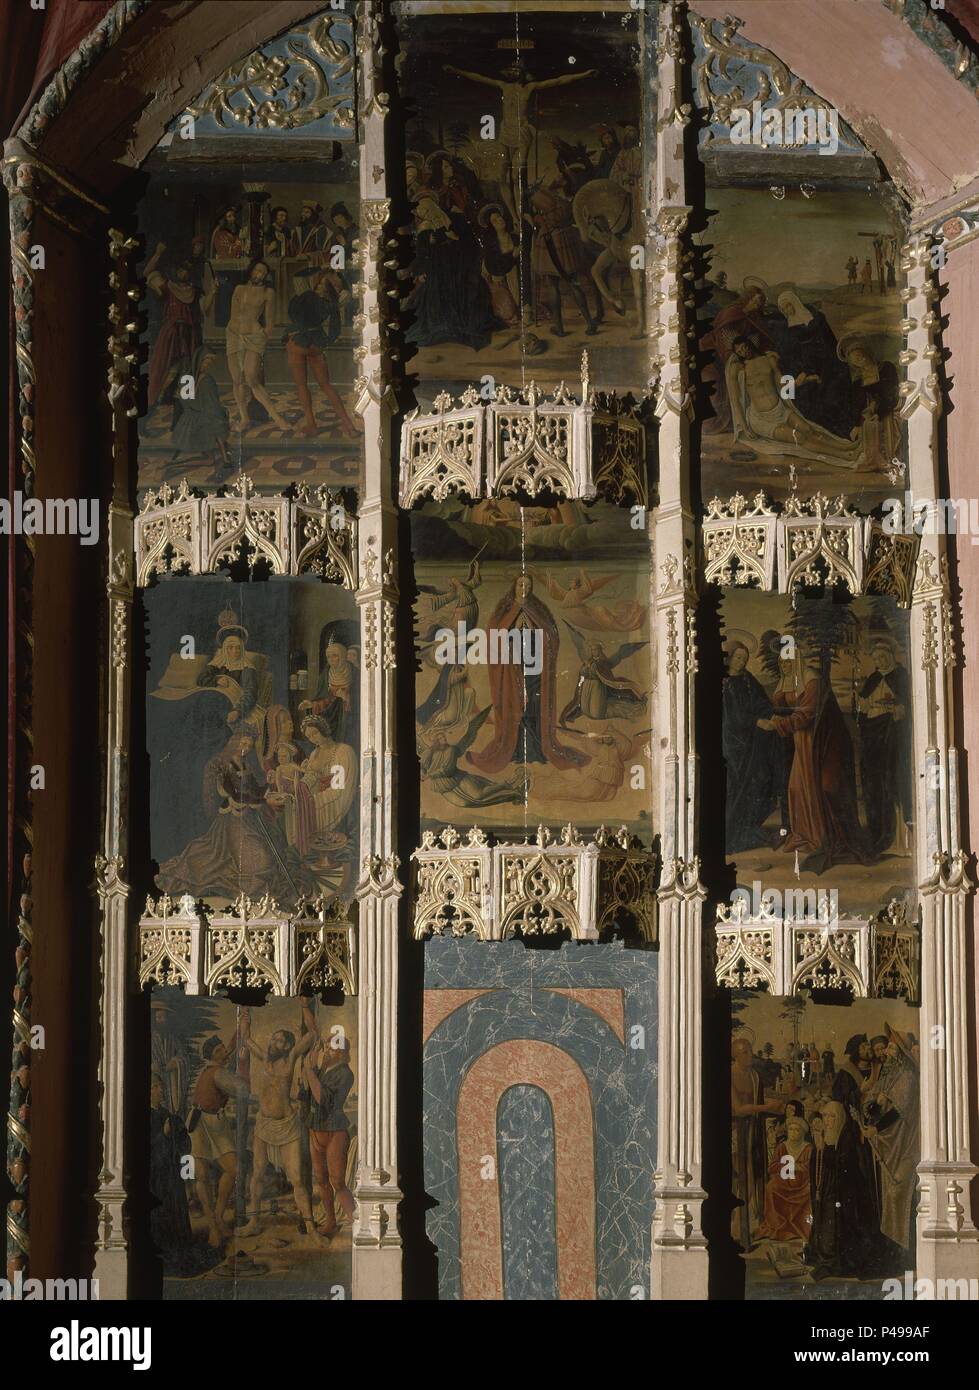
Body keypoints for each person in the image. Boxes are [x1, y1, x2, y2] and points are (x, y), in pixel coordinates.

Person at [761, 646, 869, 874]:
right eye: (782, 663)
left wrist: (776, 724)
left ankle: (818, 836)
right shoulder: (791, 679)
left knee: (813, 787)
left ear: (797, 660)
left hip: (819, 741)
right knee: (797, 788)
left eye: (788, 662)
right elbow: (782, 704)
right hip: (801, 741)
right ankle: (804, 834)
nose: (785, 666)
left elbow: (806, 714)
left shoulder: (812, 681)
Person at [444, 59, 598, 219]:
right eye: (512, 69)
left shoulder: (529, 88)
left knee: (516, 176)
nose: (514, 72)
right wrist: (456, 70)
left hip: (522, 133)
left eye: (517, 70)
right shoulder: (504, 86)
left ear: (523, 73)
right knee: (501, 177)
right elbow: (479, 77)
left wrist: (585, 74)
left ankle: (520, 213)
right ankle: (514, 215)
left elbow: (557, 81)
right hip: (506, 132)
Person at [467, 574, 589, 774]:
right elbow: (494, 635)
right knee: (514, 705)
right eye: (521, 584)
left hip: (535, 665)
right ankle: (514, 751)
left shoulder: (538, 608)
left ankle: (535, 751)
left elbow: (551, 634)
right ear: (514, 586)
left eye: (528, 585)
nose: (524, 587)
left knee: (533, 704)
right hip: (511, 666)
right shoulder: (504, 609)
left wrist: (532, 632)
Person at [238, 1010, 322, 1243]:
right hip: (264, 1124)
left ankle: (311, 1230)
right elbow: (245, 1040)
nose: (274, 1043)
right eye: (273, 1039)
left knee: (296, 1179)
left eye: (279, 1041)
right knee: (256, 1174)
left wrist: (305, 1009)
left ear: (287, 1046)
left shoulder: (291, 1058)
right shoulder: (265, 1058)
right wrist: (245, 1019)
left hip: (287, 1126)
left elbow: (313, 1036)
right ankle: (253, 1222)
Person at [726, 336, 864, 467]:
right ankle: (845, 456)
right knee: (799, 437)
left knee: (808, 430)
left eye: (744, 347)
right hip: (761, 419)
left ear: (749, 344)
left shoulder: (768, 359)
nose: (744, 352)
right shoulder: (738, 368)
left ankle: (846, 447)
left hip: (780, 410)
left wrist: (805, 380)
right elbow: (734, 399)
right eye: (739, 351)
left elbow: (783, 386)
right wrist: (744, 426)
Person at [186, 1032, 250, 1247]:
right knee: (202, 1175)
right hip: (199, 1123)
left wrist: (241, 1029)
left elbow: (229, 1048)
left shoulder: (216, 1064)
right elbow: (241, 1088)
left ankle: (219, 1216)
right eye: (219, 1051)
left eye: (223, 1049)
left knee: (233, 1169)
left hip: (216, 1122)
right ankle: (214, 1226)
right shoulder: (217, 1072)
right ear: (212, 1057)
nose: (224, 1052)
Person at [284, 267, 361, 438]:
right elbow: (334, 331)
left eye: (322, 284)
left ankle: (312, 425)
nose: (319, 286)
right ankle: (349, 426)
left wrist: (320, 268)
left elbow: (298, 275)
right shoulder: (331, 305)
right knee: (326, 385)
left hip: (297, 341)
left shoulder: (306, 295)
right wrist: (325, 341)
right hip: (315, 344)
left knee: (302, 385)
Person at [299, 1003, 356, 1236]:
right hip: (316, 1130)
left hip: (334, 1132)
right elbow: (309, 1095)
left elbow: (322, 1098)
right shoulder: (326, 1069)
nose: (327, 1052)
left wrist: (310, 1071)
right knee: (321, 1180)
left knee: (338, 1182)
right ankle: (331, 1222)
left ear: (341, 1053)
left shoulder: (344, 1073)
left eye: (331, 1050)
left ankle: (358, 1223)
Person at [721, 640, 779, 853]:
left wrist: (768, 714)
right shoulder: (722, 681)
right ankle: (732, 834)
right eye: (738, 657)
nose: (741, 661)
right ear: (729, 657)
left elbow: (761, 701)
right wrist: (756, 721)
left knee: (760, 781)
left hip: (753, 742)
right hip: (732, 743)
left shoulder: (747, 678)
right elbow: (729, 717)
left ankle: (748, 828)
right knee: (737, 787)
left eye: (745, 659)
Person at [857, 637, 912, 856]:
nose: (879, 662)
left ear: (890, 656)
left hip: (891, 737)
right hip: (872, 737)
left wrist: (896, 709)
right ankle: (876, 832)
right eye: (876, 659)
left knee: (890, 781)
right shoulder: (872, 678)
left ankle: (895, 836)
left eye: (882, 657)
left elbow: (907, 708)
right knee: (873, 783)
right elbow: (862, 706)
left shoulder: (901, 677)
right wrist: (863, 705)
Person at [145, 243, 214, 411]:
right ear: (176, 270)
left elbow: (206, 309)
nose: (184, 273)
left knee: (189, 368)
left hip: (191, 334)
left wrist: (213, 292)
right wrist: (158, 254)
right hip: (171, 333)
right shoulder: (167, 287)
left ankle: (186, 402)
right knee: (167, 366)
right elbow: (147, 274)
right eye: (182, 269)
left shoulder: (195, 291)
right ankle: (156, 400)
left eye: (187, 270)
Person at [731, 1034, 784, 1250]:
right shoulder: (730, 1075)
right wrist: (767, 1107)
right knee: (736, 1180)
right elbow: (737, 1109)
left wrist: (778, 1103)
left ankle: (743, 1231)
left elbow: (758, 1102)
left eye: (751, 1051)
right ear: (735, 1054)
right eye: (745, 1052)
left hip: (752, 1132)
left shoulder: (754, 1076)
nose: (750, 1056)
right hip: (734, 1134)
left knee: (751, 1179)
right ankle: (735, 1232)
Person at [775, 288, 851, 436]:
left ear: (795, 303)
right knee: (805, 398)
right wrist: (805, 372)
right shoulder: (788, 329)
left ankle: (843, 430)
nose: (786, 310)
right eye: (783, 308)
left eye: (788, 306)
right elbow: (791, 354)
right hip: (805, 366)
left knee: (834, 390)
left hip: (826, 362)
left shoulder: (817, 318)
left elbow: (830, 341)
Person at [227, 259, 289, 432]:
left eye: (262, 272)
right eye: (256, 270)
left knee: (252, 378)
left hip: (254, 336)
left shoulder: (268, 292)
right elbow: (233, 314)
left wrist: (261, 337)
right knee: (237, 379)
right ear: (251, 271)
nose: (259, 274)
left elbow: (270, 324)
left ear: (266, 275)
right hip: (233, 335)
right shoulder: (239, 289)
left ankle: (277, 418)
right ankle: (244, 418)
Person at [528, 184, 599, 338]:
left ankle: (560, 329)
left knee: (554, 285)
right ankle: (589, 323)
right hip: (564, 240)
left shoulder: (544, 201)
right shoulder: (559, 200)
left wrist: (539, 220)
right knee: (573, 282)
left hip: (551, 243)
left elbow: (549, 221)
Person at [421, 710, 526, 809]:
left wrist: (429, 775)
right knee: (466, 803)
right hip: (441, 786)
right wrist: (422, 773)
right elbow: (423, 765)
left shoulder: (451, 750)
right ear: (436, 741)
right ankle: (511, 794)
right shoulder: (428, 752)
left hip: (457, 779)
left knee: (479, 795)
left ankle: (508, 785)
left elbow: (448, 770)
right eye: (441, 738)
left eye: (444, 737)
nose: (444, 739)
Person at [168, 347, 229, 475]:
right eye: (207, 361)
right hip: (197, 423)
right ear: (199, 360)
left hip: (196, 418)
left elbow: (191, 402)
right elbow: (194, 404)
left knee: (210, 458)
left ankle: (177, 464)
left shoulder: (196, 378)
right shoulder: (198, 380)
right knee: (218, 423)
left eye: (211, 362)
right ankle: (225, 458)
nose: (208, 365)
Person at [757, 1113, 814, 1241]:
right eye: (791, 1129)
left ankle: (800, 1228)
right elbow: (772, 1167)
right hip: (784, 1182)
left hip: (803, 1184)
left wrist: (796, 1167)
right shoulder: (782, 1146)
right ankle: (777, 1226)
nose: (793, 1132)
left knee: (810, 1191)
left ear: (803, 1132)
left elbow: (810, 1167)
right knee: (770, 1187)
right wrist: (786, 1166)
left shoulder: (809, 1148)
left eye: (797, 1130)